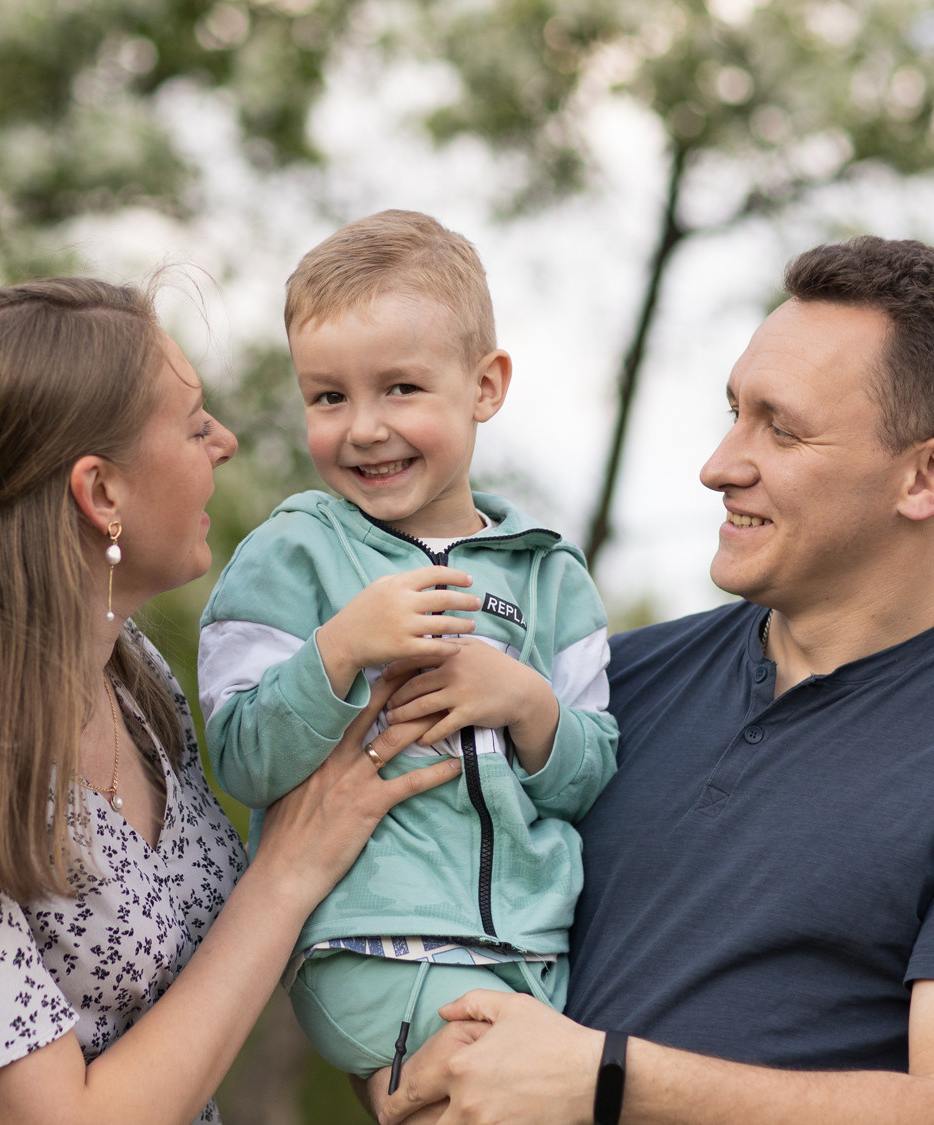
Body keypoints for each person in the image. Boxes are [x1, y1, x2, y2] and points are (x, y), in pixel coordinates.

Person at [377, 236, 934, 1125]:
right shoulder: (608, 687)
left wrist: (607, 1078)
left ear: (929, 475)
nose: (720, 464)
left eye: (781, 426)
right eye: (734, 411)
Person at [0, 277, 463, 1125]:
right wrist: (288, 872)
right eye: (196, 423)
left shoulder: (134, 680)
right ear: (102, 494)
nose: (226, 442)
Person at [198, 212, 620, 1091]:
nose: (362, 428)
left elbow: (591, 776)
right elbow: (241, 755)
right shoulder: (294, 553)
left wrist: (528, 703)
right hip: (373, 946)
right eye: (328, 397)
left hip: (537, 950)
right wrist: (340, 649)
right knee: (512, 1093)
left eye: (400, 388)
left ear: (485, 385)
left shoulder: (548, 573)